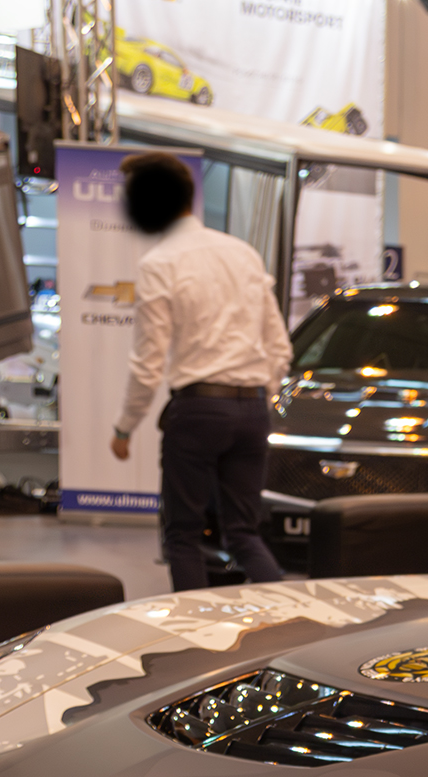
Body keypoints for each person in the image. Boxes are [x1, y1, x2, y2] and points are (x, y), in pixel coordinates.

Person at [110, 151, 291, 591]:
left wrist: (125, 427)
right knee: (244, 534)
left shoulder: (159, 263)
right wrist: (256, 394)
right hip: (252, 411)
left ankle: (194, 642)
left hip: (197, 411)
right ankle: (299, 623)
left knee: (183, 534)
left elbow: (149, 362)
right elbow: (279, 346)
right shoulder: (242, 253)